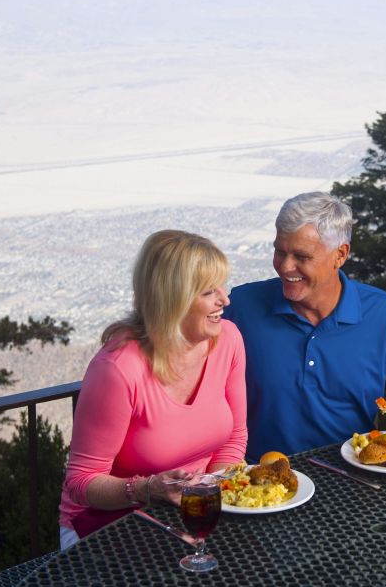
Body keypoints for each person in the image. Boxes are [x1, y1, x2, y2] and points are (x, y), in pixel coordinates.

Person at [224, 192, 386, 460]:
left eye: (301, 256)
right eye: (280, 251)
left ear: (340, 255)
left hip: (352, 480)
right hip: (257, 485)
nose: (285, 267)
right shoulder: (241, 306)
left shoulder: (385, 314)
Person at [57, 230, 246, 549]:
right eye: (208, 292)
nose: (224, 300)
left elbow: (234, 437)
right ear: (173, 299)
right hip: (105, 525)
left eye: (221, 286)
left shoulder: (227, 340)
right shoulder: (118, 368)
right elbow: (81, 482)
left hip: (185, 516)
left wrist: (211, 500)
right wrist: (148, 490)